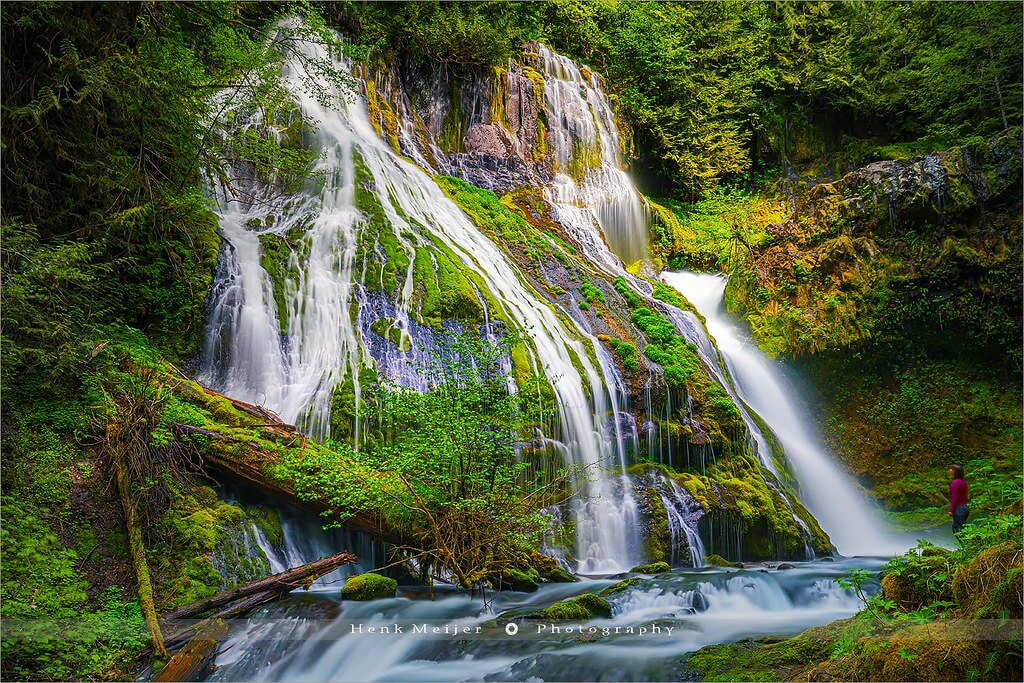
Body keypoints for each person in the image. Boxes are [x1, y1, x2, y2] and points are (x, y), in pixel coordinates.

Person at [949, 464, 970, 533]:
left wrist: (951, 510)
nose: (950, 470)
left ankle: (968, 543)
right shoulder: (963, 482)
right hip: (965, 507)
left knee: (958, 529)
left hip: (959, 508)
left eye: (952, 469)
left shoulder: (956, 482)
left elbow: (954, 497)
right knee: (959, 527)